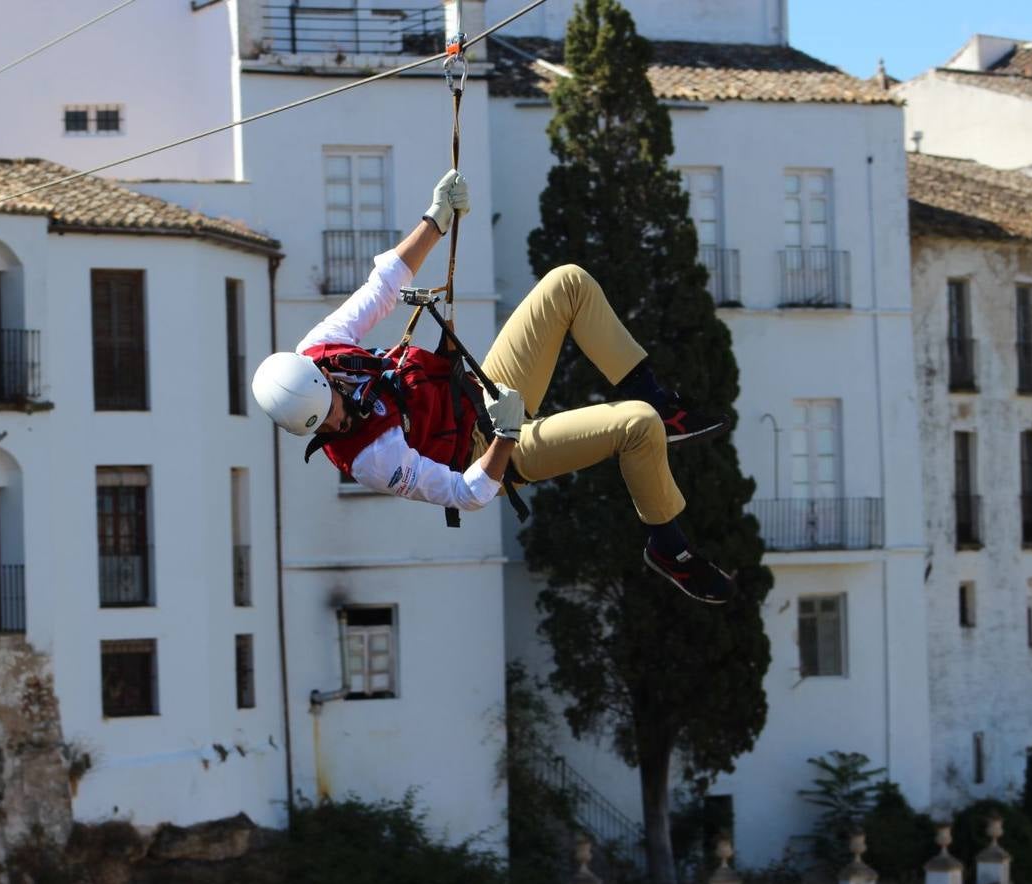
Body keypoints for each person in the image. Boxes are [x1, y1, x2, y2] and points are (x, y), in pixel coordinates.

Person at [252, 170, 735, 604]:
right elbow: (468, 493)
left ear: (325, 376)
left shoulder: (323, 348)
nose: (340, 421)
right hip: (494, 454)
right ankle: (669, 548)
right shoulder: (369, 460)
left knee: (568, 283)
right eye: (328, 427)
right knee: (636, 426)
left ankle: (658, 397)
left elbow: (384, 286)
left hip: (484, 393)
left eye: (334, 406)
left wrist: (436, 219)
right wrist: (505, 435)